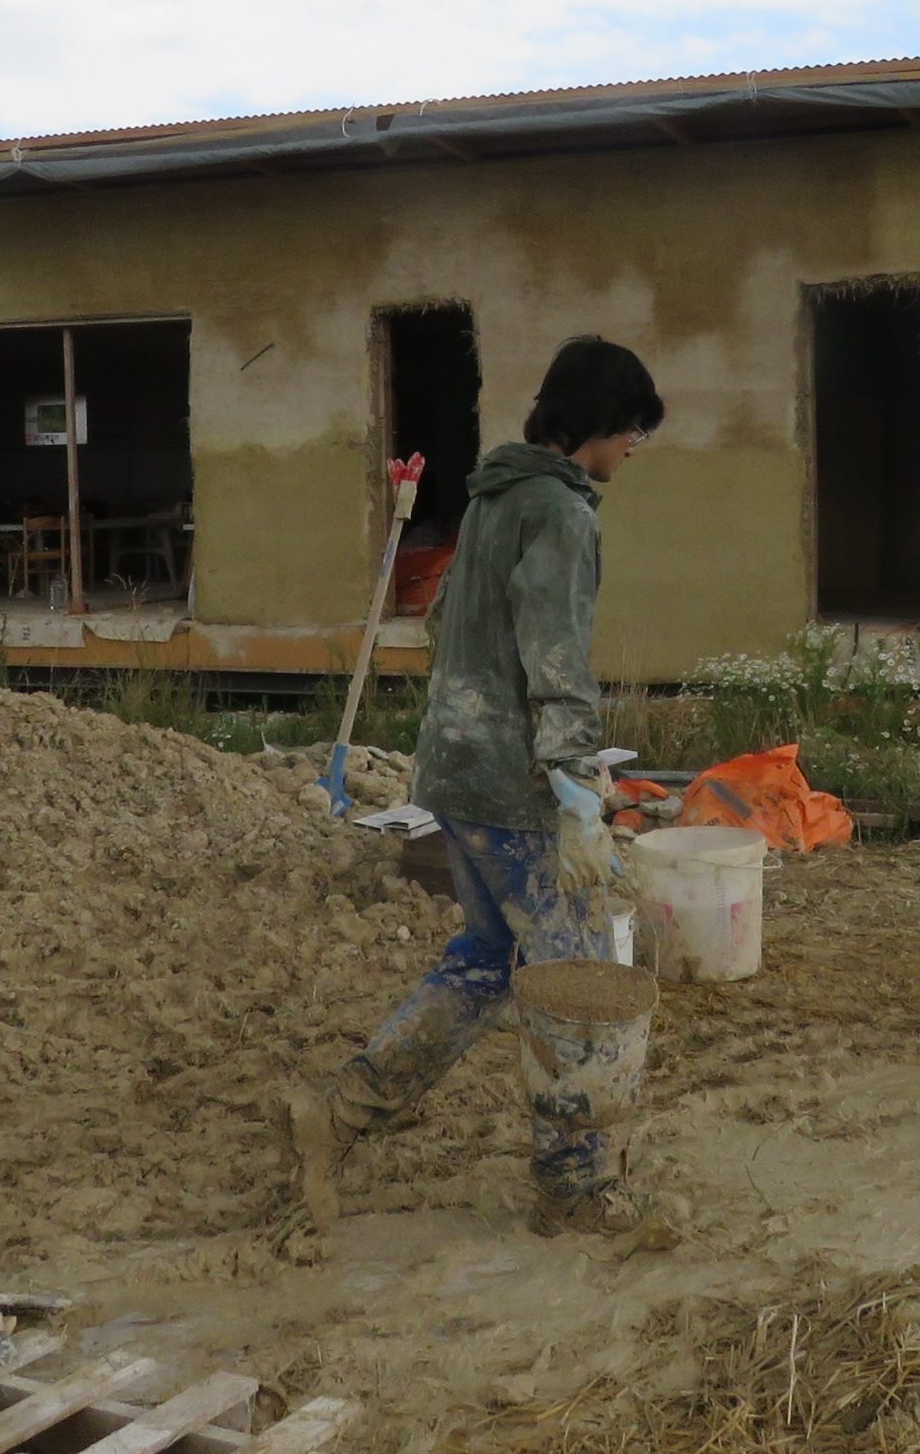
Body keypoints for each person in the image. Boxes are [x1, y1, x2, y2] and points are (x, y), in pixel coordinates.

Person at [279, 336, 668, 1239]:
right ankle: (574, 1187)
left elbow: (448, 619)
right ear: (599, 425)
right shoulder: (562, 515)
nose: (635, 448)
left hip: (452, 769)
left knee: (488, 960)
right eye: (633, 430)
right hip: (515, 787)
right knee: (574, 980)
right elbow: (556, 657)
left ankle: (336, 1114)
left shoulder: (494, 496)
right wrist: (578, 794)